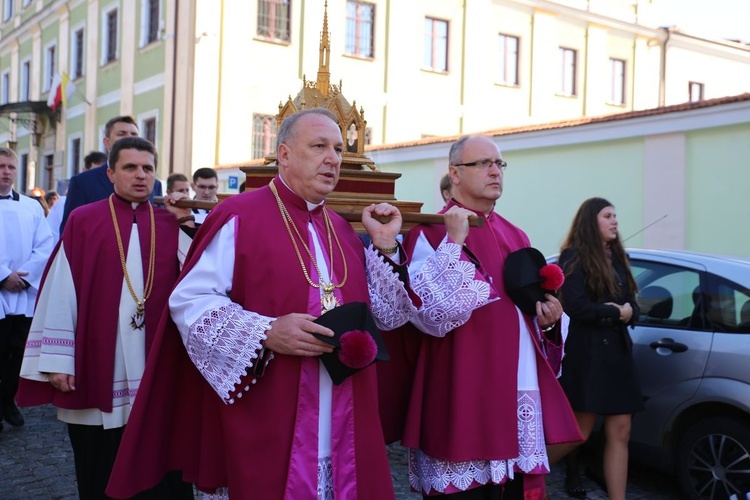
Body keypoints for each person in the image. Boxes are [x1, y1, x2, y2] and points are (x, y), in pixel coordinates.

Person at [106, 108, 417, 499]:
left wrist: (386, 243)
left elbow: (388, 316)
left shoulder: (342, 230)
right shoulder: (239, 215)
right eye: (319, 146)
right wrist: (266, 331)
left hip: (344, 417)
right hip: (270, 412)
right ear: (284, 154)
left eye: (338, 149)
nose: (333, 158)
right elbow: (190, 302)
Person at [384, 135, 582, 499]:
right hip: (462, 385)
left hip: (516, 386)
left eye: (499, 164)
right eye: (484, 163)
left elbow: (529, 318)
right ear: (454, 174)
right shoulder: (430, 231)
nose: (495, 171)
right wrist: (454, 244)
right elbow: (427, 314)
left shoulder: (517, 235)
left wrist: (549, 321)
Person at [17, 137, 195, 499]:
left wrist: (188, 225)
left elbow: (199, 282)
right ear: (111, 173)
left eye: (148, 168)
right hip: (100, 361)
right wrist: (58, 360)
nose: (140, 176)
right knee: (99, 468)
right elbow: (60, 292)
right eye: (130, 168)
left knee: (161, 469)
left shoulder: (171, 223)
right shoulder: (84, 220)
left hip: (156, 364)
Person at [556, 197, 642, 500]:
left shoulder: (617, 258)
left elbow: (632, 303)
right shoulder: (573, 257)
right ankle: (526, 477)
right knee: (578, 432)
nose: (615, 221)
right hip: (589, 353)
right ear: (591, 221)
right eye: (608, 215)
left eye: (615, 215)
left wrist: (628, 311)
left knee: (621, 432)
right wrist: (613, 312)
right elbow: (576, 307)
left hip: (617, 353)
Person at [0, 148, 54, 434]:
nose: (6, 171)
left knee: (19, 354)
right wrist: (2, 276)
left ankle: (7, 400)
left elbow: (45, 245)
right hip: (2, 289)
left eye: (10, 166)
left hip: (23, 292)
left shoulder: (31, 207)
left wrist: (24, 276)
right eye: (1, 166)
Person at [60, 116, 163, 232]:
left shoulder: (155, 184)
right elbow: (70, 231)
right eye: (122, 134)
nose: (129, 138)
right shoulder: (83, 182)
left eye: (134, 134)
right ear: (107, 142)